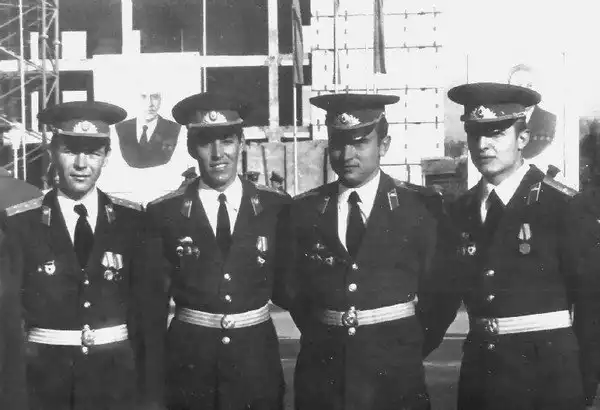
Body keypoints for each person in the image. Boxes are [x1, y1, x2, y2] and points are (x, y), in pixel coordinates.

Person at [419, 82, 600, 409]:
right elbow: (441, 301)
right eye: (475, 135)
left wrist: (584, 387)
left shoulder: (563, 206)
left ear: (523, 139)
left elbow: (592, 307)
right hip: (481, 382)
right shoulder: (459, 212)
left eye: (496, 134)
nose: (483, 145)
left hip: (549, 384)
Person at [0, 101, 164, 410]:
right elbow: (7, 322)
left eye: (93, 153)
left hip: (115, 386)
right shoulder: (20, 224)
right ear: (52, 151)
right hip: (45, 386)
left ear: (107, 157)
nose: (81, 164)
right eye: (70, 150)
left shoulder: (133, 223)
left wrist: (150, 399)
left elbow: (149, 321)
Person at [290, 93, 445, 410]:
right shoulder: (304, 210)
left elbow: (440, 295)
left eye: (360, 142)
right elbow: (292, 290)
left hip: (395, 374)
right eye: (338, 143)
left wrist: (405, 346)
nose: (348, 154)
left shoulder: (419, 208)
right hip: (325, 372)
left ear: (384, 145)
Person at [145, 92, 295, 410]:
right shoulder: (165, 213)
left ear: (241, 143)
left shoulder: (276, 207)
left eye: (227, 140)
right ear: (191, 148)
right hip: (189, 365)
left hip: (256, 364)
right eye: (205, 142)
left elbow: (294, 290)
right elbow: (151, 307)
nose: (218, 154)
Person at [115, 89, 181, 168]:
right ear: (135, 99)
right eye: (143, 97)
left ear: (161, 99)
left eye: (155, 97)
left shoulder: (173, 128)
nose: (150, 104)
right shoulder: (122, 127)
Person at [507, 64, 557, 161]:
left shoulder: (550, 120)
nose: (525, 91)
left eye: (529, 85)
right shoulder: (498, 120)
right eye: (518, 86)